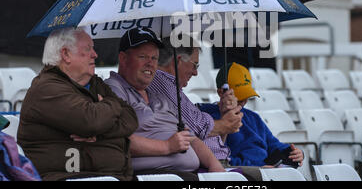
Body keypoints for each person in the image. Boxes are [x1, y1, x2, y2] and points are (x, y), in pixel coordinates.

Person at [17, 28, 138, 181]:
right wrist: (111, 104)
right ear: (66, 54)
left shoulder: (95, 83)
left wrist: (100, 132)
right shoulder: (46, 89)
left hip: (110, 175)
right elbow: (90, 121)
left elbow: (131, 119)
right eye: (88, 49)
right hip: (68, 176)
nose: (95, 54)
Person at [105, 27, 225, 181]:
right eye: (143, 57)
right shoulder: (113, 89)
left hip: (190, 172)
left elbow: (191, 138)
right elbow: (118, 140)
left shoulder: (158, 96)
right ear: (123, 58)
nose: (150, 64)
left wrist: (215, 166)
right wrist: (167, 146)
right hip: (152, 175)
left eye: (154, 58)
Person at [149, 37, 263, 181]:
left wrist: (224, 119)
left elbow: (207, 136)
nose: (195, 72)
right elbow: (198, 130)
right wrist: (226, 123)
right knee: (266, 177)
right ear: (178, 61)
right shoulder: (165, 87)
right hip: (208, 169)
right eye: (195, 65)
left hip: (216, 165)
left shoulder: (171, 87)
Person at [199, 62, 304, 168]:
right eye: (239, 97)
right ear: (221, 93)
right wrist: (259, 168)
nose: (244, 101)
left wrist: (293, 153)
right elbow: (222, 159)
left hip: (267, 169)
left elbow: (273, 145)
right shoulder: (209, 119)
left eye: (246, 96)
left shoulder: (253, 117)